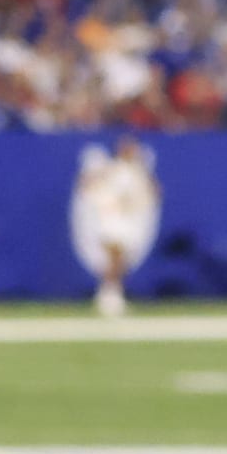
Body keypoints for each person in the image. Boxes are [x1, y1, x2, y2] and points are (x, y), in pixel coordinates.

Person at [69, 134, 160, 318]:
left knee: (120, 261)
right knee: (114, 256)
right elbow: (88, 186)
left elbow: (153, 192)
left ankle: (111, 293)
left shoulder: (137, 171)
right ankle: (109, 296)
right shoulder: (111, 168)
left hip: (127, 221)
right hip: (111, 219)